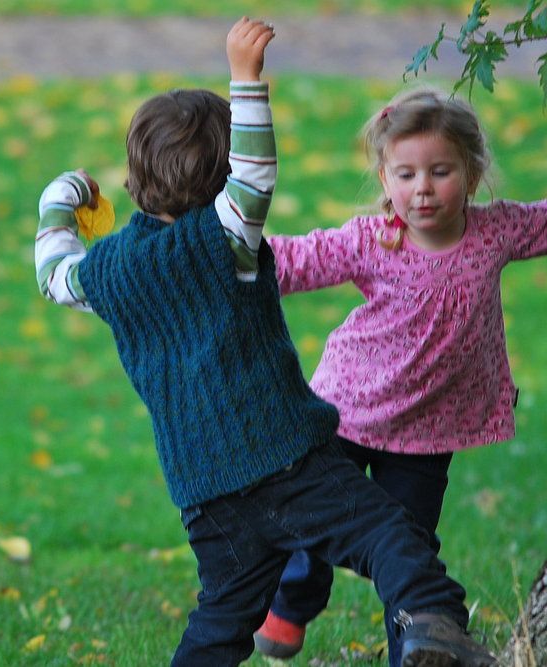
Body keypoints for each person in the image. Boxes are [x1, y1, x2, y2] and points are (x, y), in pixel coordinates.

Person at [34, 19, 498, 667]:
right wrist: (245, 78)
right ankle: (430, 624)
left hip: (205, 493)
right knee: (389, 532)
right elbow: (254, 174)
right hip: (286, 461)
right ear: (224, 176)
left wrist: (62, 195)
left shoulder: (110, 272)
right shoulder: (225, 238)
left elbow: (53, 273)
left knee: (223, 615)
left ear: (137, 176)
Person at [254, 84, 547, 666]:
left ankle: (417, 648)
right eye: (405, 175)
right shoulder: (372, 240)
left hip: (428, 430)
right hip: (347, 411)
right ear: (385, 181)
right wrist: (220, 261)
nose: (422, 188)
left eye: (440, 171)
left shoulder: (494, 233)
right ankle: (291, 604)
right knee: (316, 518)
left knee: (412, 547)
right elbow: (295, 259)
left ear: (472, 175)